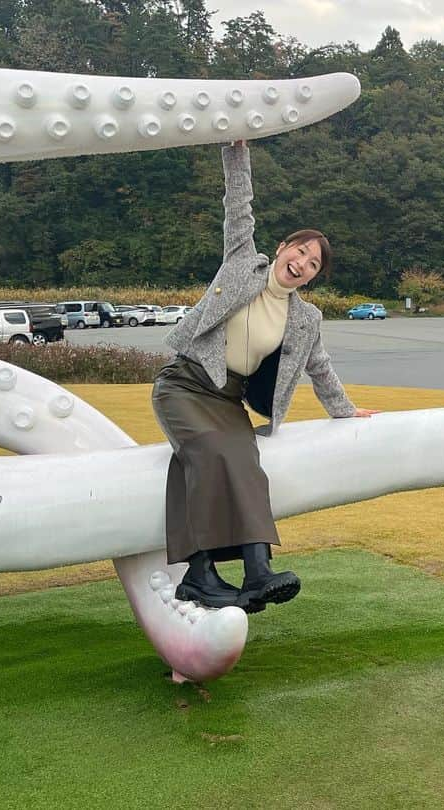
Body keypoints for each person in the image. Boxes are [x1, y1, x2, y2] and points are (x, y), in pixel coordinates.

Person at [152, 139, 377, 614]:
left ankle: (257, 574)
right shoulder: (242, 263)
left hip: (228, 400)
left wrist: (344, 410)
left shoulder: (305, 319)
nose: (302, 263)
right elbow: (239, 203)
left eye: (313, 264)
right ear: (282, 247)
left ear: (313, 278)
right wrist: (237, 151)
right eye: (301, 251)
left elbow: (320, 369)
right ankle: (200, 574)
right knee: (210, 451)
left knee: (247, 463)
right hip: (184, 384)